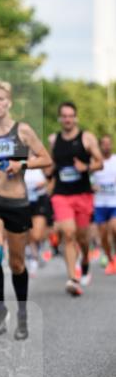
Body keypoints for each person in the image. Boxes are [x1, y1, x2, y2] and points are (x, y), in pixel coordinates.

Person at [0, 81, 52, 337]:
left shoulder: (23, 130)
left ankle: (23, 312)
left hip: (17, 203)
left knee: (17, 264)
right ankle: (0, 307)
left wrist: (22, 164)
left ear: (9, 102)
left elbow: (46, 158)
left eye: (0, 99)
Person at [49, 102, 103, 296]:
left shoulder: (86, 138)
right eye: (64, 116)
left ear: (76, 117)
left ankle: (85, 259)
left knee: (82, 237)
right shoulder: (54, 139)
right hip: (61, 194)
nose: (67, 119)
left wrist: (86, 167)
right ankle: (73, 278)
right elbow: (51, 164)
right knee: (68, 233)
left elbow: (99, 163)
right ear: (60, 118)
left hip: (83, 194)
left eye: (71, 115)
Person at [92, 134, 116, 274]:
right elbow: (87, 179)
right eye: (104, 144)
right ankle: (110, 260)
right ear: (100, 146)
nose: (106, 146)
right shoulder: (95, 162)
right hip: (100, 204)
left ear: (111, 145)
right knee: (103, 236)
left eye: (109, 143)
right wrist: (92, 186)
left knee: (114, 229)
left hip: (114, 203)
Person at [24, 166, 53, 274]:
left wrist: (44, 184)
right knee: (27, 231)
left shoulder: (41, 161)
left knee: (37, 234)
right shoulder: (19, 159)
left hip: (40, 200)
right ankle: (33, 256)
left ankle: (38, 250)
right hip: (24, 200)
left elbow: (51, 178)